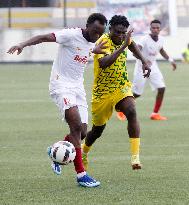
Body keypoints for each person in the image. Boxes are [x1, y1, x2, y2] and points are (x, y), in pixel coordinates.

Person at [7, 13, 108, 188]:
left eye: (100, 33)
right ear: (87, 26)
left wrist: (94, 50)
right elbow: (44, 37)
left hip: (78, 88)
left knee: (82, 132)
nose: (97, 36)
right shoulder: (70, 35)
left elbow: (82, 49)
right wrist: (22, 44)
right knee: (75, 126)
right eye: (95, 31)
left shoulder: (92, 42)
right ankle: (81, 175)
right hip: (61, 85)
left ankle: (55, 150)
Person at [81, 15, 151, 172]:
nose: (121, 35)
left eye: (123, 32)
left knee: (132, 111)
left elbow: (132, 46)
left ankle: (135, 157)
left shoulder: (125, 39)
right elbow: (104, 63)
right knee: (97, 130)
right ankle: (84, 151)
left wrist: (144, 61)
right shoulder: (103, 41)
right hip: (102, 92)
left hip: (121, 87)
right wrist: (123, 46)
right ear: (110, 29)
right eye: (118, 32)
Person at [129, 19, 176, 121]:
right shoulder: (144, 39)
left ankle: (155, 114)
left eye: (157, 28)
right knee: (137, 93)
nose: (155, 30)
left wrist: (170, 60)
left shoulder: (161, 39)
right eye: (153, 28)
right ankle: (120, 109)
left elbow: (161, 50)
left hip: (153, 66)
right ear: (150, 29)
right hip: (141, 67)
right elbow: (134, 51)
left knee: (161, 88)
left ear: (160, 29)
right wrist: (143, 60)